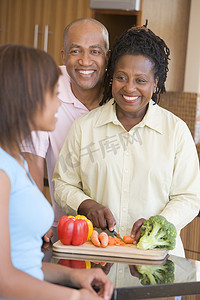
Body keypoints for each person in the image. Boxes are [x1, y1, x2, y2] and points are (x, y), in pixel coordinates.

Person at [53, 23, 200, 258]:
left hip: (157, 260)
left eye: (140, 80)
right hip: (96, 256)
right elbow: (62, 183)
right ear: (112, 77)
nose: (129, 88)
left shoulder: (176, 132)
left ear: (155, 82)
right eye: (121, 77)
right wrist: (86, 204)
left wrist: (159, 222)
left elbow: (189, 197)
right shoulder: (84, 127)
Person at [0, 44, 113, 300]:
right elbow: (3, 279)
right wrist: (75, 297)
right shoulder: (2, 170)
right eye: (53, 94)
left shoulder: (16, 161)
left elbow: (25, 264)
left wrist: (73, 277)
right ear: (25, 98)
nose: (58, 103)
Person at [22, 18, 109, 241]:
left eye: (95, 51)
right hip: (62, 229)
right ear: (63, 56)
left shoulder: (120, 90)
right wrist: (36, 222)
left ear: (107, 56)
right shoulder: (46, 88)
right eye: (76, 51)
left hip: (112, 232)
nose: (85, 61)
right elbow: (33, 164)